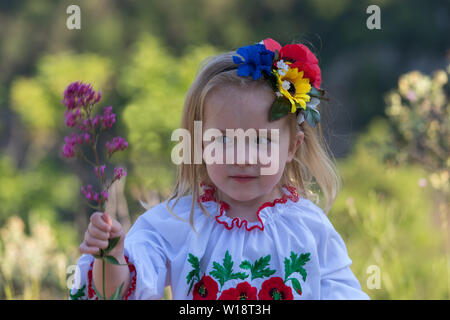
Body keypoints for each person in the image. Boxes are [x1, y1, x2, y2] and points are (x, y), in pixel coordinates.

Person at [69, 38, 370, 300]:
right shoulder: (173, 224)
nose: (242, 157)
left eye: (261, 140)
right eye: (224, 139)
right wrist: (111, 257)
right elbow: (119, 293)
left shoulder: (310, 229)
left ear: (292, 147)